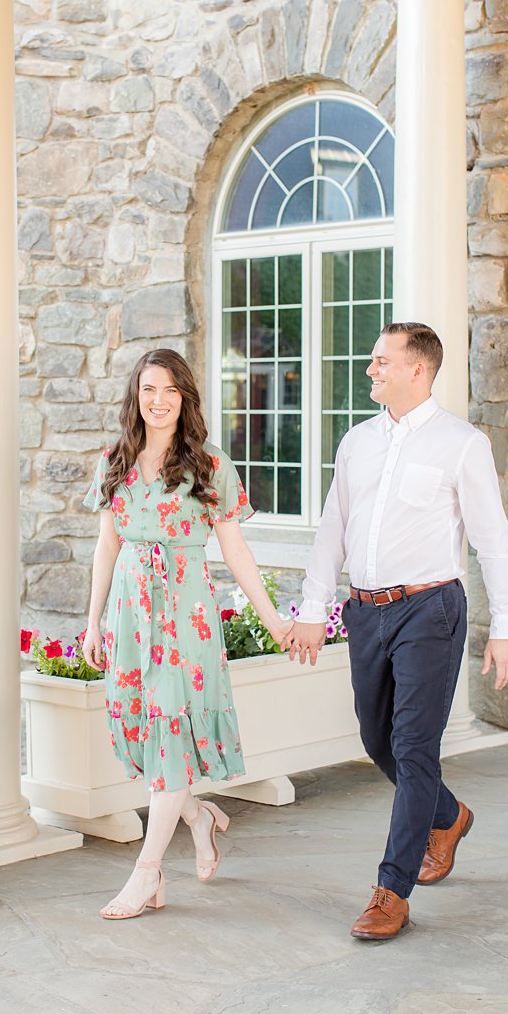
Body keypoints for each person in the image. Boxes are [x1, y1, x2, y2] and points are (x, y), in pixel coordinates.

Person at [289, 321, 508, 940]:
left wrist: (506, 628)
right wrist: (314, 611)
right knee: (377, 740)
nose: (371, 369)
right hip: (365, 611)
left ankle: (392, 889)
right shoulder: (357, 443)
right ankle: (448, 815)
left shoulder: (461, 444)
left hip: (430, 611)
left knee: (416, 748)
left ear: (417, 369)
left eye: (380, 360)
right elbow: (332, 529)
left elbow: (493, 542)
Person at [83, 348, 296, 919]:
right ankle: (199, 816)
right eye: (150, 389)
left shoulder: (209, 465)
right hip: (131, 613)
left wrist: (273, 617)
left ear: (186, 399)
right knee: (148, 734)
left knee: (172, 733)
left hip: (185, 614)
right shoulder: (113, 463)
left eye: (171, 391)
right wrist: (93, 620)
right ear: (136, 396)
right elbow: (106, 547)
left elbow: (235, 550)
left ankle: (147, 874)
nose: (159, 401)